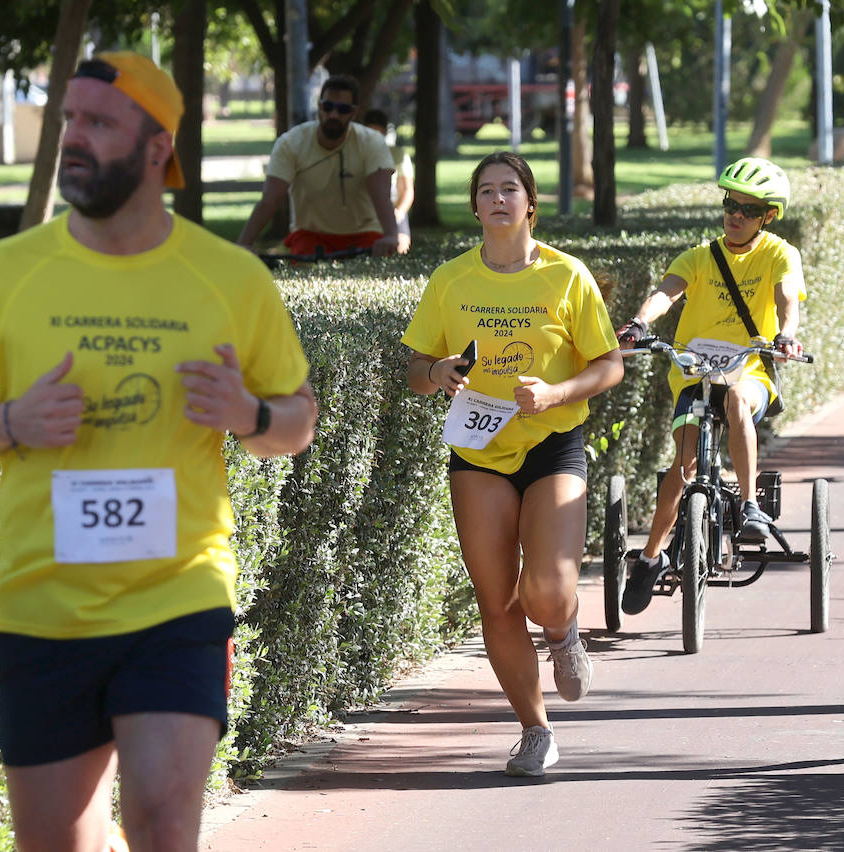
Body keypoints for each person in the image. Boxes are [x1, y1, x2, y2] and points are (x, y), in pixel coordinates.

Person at [0, 52, 318, 850]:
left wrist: (247, 411)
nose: (73, 138)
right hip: (43, 603)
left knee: (164, 824)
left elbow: (297, 422)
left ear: (157, 147)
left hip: (178, 594)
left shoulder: (228, 279)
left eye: (98, 122)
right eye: (69, 119)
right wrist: (9, 424)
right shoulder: (8, 274)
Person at [401, 151, 623, 777]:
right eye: (486, 190)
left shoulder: (566, 276)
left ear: (530, 203)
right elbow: (416, 369)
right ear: (475, 205)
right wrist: (437, 371)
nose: (498, 199)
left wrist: (554, 393)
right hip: (476, 447)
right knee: (495, 600)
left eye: (510, 189)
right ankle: (535, 729)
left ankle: (563, 631)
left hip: (551, 440)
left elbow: (609, 365)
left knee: (548, 591)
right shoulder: (450, 280)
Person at [617, 157, 805, 615]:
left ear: (769, 216)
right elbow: (668, 292)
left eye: (748, 209)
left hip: (750, 372)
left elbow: (786, 300)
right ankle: (650, 557)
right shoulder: (700, 255)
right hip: (694, 375)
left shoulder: (780, 254)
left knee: (738, 398)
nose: (735, 215)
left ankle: (748, 506)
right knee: (682, 463)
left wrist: (786, 336)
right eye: (730, 204)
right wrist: (640, 322)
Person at [237, 75, 409, 258]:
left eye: (342, 109)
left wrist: (391, 236)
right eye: (328, 107)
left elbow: (380, 194)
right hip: (310, 235)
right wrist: (244, 244)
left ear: (353, 112)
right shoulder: (291, 142)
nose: (333, 115)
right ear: (319, 106)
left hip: (365, 235)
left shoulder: (372, 142)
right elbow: (270, 199)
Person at [362, 108, 413, 241]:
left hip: (394, 212)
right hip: (364, 215)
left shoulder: (398, 155)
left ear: (384, 132)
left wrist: (399, 213)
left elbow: (407, 190)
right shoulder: (356, 155)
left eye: (377, 133)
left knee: (401, 246)